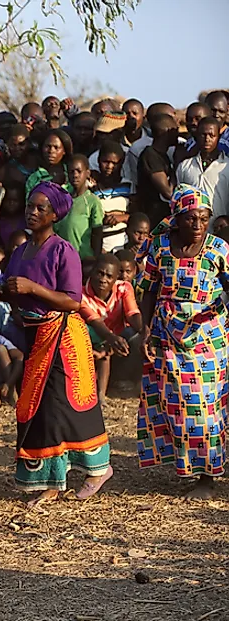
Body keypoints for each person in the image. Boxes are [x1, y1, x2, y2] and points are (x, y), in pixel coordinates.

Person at [0, 181, 113, 506]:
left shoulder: (63, 251)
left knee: (66, 407)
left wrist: (32, 288)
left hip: (61, 335)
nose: (32, 212)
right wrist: (2, 292)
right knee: (42, 411)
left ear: (54, 215)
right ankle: (52, 481)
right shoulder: (21, 250)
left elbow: (72, 300)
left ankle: (98, 468)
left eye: (40, 209)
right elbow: (17, 288)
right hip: (34, 335)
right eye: (30, 206)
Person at [137, 185, 229, 500]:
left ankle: (208, 476)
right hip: (166, 337)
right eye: (192, 219)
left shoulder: (218, 249)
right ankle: (187, 467)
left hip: (208, 339)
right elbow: (148, 289)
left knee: (204, 406)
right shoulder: (160, 247)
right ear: (177, 219)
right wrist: (145, 329)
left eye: (204, 218)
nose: (199, 225)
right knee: (176, 406)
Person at [80, 253, 142, 401]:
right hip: (95, 339)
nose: (103, 279)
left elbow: (132, 314)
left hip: (119, 340)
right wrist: (110, 338)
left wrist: (146, 333)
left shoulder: (124, 288)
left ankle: (125, 380)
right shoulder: (81, 294)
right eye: (100, 273)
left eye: (109, 276)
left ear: (115, 279)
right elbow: (95, 322)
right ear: (92, 272)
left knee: (136, 337)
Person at [176, 117, 228, 219]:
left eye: (212, 135)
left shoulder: (227, 167)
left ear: (219, 137)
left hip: (220, 230)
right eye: (203, 135)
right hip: (192, 231)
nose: (207, 139)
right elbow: (178, 201)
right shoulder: (185, 166)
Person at [55, 154, 104, 262]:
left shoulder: (92, 201)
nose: (75, 175)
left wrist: (95, 258)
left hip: (83, 259)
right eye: (71, 172)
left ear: (87, 173)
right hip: (61, 258)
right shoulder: (62, 199)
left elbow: (97, 233)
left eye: (78, 171)